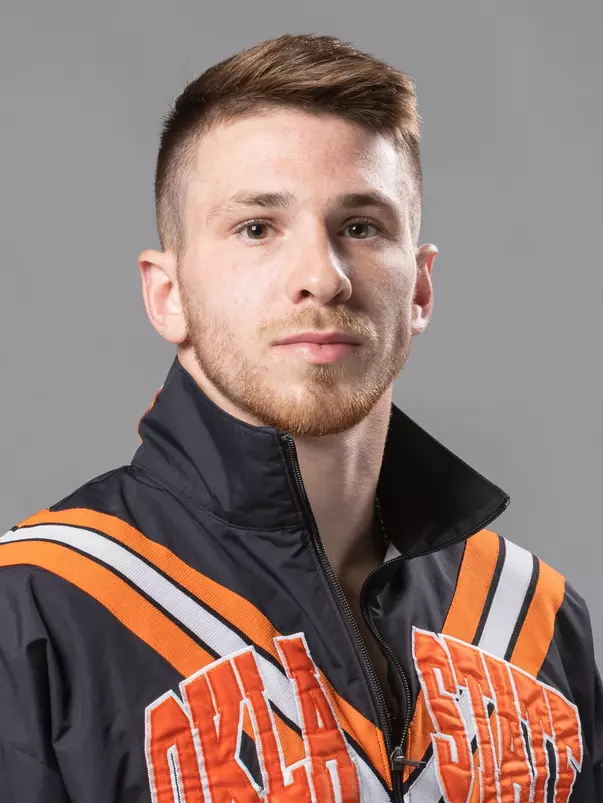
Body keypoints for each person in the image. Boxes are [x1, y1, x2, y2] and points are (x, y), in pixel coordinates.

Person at [0, 32, 600, 803]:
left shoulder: (535, 615)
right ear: (167, 294)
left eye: (360, 227)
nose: (321, 276)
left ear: (419, 289)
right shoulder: (36, 607)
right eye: (257, 227)